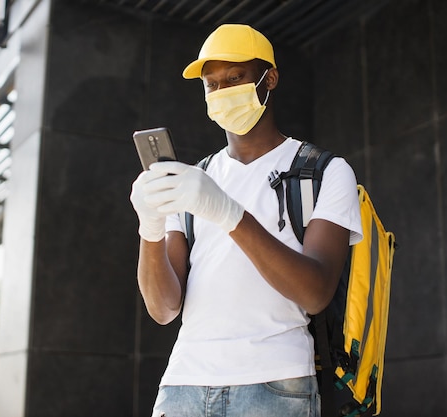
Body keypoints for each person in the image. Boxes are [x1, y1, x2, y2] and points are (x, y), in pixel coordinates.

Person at [130, 24, 363, 417]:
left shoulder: (323, 171)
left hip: (274, 386)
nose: (222, 93)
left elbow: (315, 292)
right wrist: (150, 228)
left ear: (269, 78)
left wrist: (229, 212)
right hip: (183, 386)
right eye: (212, 85)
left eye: (235, 78)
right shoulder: (194, 181)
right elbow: (164, 309)